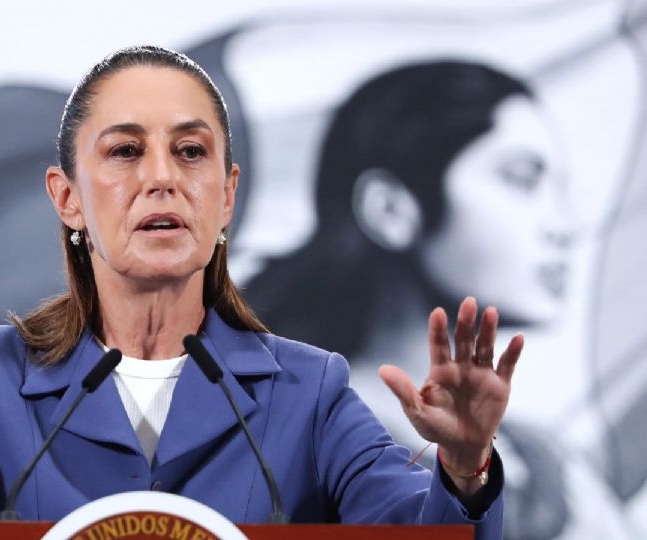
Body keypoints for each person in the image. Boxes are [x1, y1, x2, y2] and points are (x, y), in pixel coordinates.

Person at [0, 47, 521, 537]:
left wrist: (464, 470)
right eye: (125, 151)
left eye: (190, 152)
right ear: (67, 199)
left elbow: (422, 531)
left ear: (227, 196)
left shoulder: (308, 393)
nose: (161, 178)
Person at [244, 61, 575, 538]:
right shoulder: (295, 444)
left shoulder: (546, 458)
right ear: (390, 209)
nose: (564, 226)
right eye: (521, 179)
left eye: (560, 190)